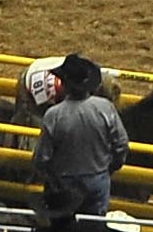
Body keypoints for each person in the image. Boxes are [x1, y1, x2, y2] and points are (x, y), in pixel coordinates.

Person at [33, 57, 127, 216]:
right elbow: (121, 145)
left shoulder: (53, 115)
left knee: (61, 225)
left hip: (63, 183)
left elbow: (41, 158)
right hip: (97, 179)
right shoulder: (105, 108)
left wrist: (51, 177)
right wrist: (109, 168)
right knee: (94, 226)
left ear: (64, 85)